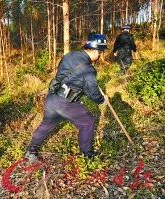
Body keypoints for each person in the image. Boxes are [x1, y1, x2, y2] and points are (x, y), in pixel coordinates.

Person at [25, 34, 109, 162]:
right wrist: (102, 100)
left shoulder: (70, 55)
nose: (100, 56)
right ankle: (87, 155)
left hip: (52, 97)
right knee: (88, 121)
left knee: (46, 124)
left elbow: (62, 73)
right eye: (100, 52)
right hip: (65, 103)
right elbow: (92, 92)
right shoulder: (89, 70)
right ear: (95, 50)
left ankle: (30, 150)